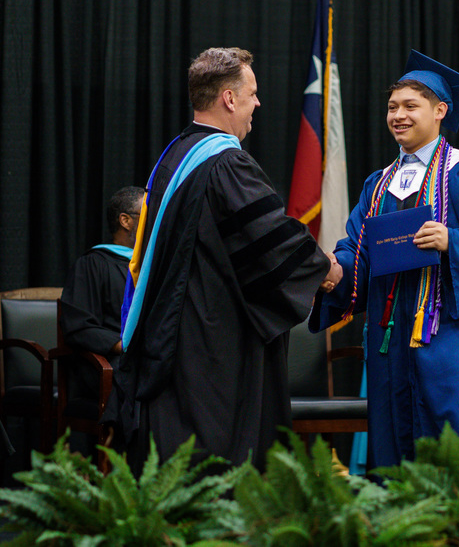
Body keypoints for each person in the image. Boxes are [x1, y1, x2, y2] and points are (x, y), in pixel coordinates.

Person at [110, 47, 339, 471]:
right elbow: (269, 239)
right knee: (213, 460)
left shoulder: (175, 155)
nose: (257, 103)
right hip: (209, 341)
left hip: (171, 332)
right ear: (229, 99)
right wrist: (324, 268)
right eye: (251, 93)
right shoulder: (227, 163)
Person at [309, 50, 459, 484]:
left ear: (440, 111)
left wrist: (455, 240)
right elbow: (358, 247)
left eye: (411, 106)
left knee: (458, 422)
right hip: (390, 331)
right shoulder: (379, 183)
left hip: (448, 328)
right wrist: (337, 272)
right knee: (392, 426)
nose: (399, 115)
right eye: (393, 107)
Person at [60, 186, 145, 399]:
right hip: (104, 363)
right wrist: (124, 346)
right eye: (148, 214)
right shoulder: (92, 265)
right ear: (125, 221)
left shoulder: (152, 268)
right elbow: (79, 327)